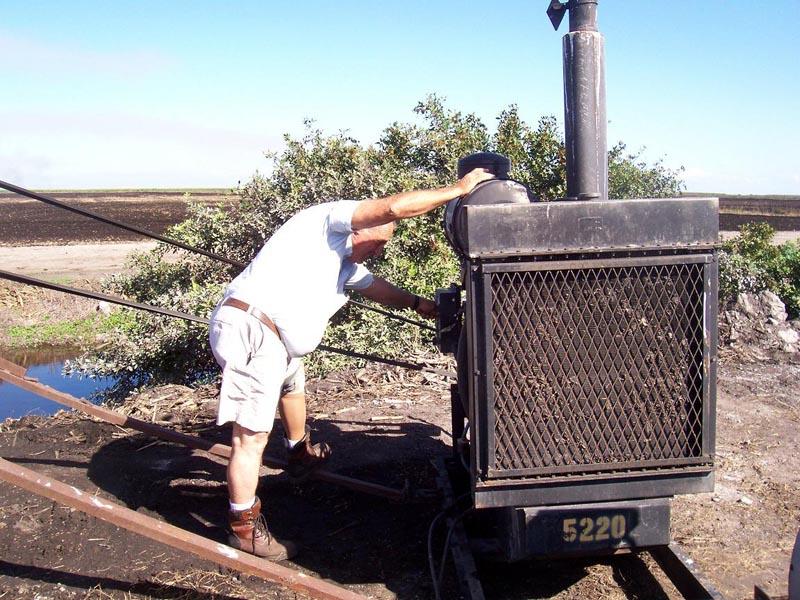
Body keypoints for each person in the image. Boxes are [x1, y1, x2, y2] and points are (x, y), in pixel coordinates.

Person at [208, 167, 495, 559]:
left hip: (276, 342)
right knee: (251, 436)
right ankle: (244, 527)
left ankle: (298, 454)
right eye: (377, 243)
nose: (378, 252)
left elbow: (379, 290)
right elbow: (393, 207)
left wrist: (421, 305)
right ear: (360, 227)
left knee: (293, 384)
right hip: (254, 332)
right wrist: (460, 189)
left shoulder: (342, 265)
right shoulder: (326, 222)